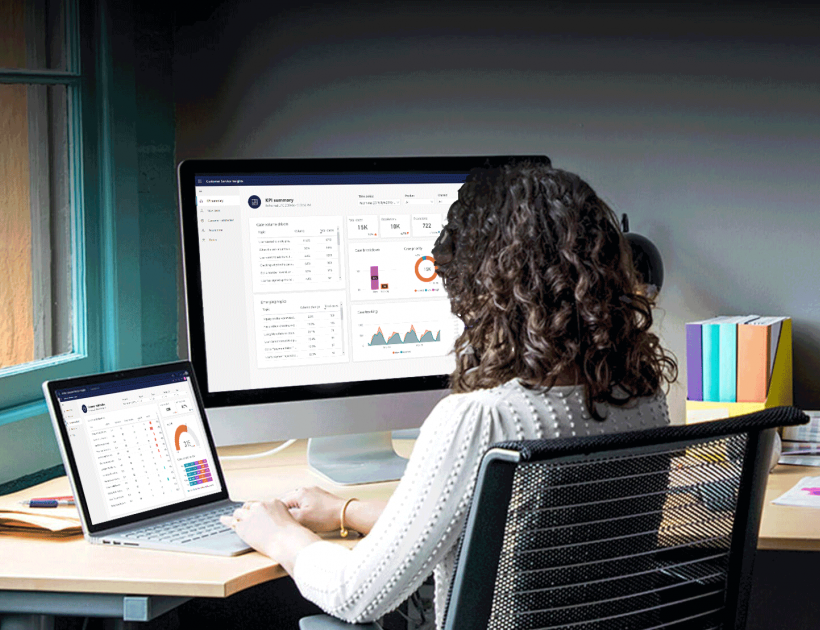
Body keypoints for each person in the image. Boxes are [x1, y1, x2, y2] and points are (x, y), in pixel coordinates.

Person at [220, 163, 678, 629]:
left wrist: (279, 535)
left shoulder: (480, 419)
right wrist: (345, 511)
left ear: (486, 288)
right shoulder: (640, 394)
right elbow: (523, 538)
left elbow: (354, 594)